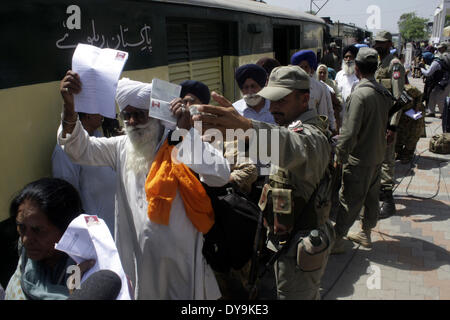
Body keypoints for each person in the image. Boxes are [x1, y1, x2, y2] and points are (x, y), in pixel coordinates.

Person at [57, 71, 230, 299]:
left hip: (184, 261)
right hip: (142, 263)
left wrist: (186, 132)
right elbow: (79, 150)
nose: (132, 122)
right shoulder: (121, 147)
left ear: (156, 115)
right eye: (127, 115)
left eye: (139, 115)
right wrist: (70, 109)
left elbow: (221, 174)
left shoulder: (176, 140)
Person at [194, 65, 335, 300]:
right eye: (271, 100)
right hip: (283, 239)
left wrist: (247, 128)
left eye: (281, 100)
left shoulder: (313, 136)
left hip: (302, 245)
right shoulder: (288, 127)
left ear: (305, 99)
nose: (273, 107)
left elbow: (293, 146)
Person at [332, 48, 392, 251]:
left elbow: (349, 132)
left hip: (359, 158)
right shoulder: (382, 92)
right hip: (377, 154)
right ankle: (365, 233)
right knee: (371, 197)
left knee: (349, 198)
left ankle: (337, 239)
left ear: (356, 68)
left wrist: (340, 155)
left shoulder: (360, 95)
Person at [5, 178, 94, 300]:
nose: (25, 239)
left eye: (38, 230)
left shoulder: (87, 271)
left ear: (66, 230)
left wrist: (76, 296)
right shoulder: (25, 261)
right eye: (21, 227)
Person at [52, 112, 117, 236]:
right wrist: (93, 231)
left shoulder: (100, 139)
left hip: (114, 229)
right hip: (95, 233)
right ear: (88, 114)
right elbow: (68, 199)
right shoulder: (64, 151)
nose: (103, 114)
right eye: (99, 110)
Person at [373, 30, 406, 219]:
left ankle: (388, 201)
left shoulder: (394, 65)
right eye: (377, 42)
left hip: (388, 121)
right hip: (377, 120)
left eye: (382, 43)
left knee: (387, 160)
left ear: (389, 44)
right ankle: (379, 192)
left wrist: (392, 126)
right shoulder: (379, 64)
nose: (378, 45)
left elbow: (399, 98)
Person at [291, 50, 337, 132]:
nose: (303, 70)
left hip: (312, 129)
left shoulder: (319, 87)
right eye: (301, 67)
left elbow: (323, 112)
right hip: (293, 127)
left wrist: (325, 131)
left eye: (306, 67)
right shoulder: (290, 85)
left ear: (310, 69)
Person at [335, 45, 360, 126]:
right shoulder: (339, 75)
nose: (348, 60)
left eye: (351, 57)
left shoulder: (359, 75)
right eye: (346, 57)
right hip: (341, 116)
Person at [421, 52, 450, 118]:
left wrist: (421, 68)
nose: (423, 60)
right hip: (440, 82)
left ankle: (444, 114)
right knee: (432, 95)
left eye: (424, 58)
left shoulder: (435, 63)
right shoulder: (435, 62)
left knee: (440, 98)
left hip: (445, 83)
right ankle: (431, 112)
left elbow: (428, 73)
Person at [317, 64, 343, 132]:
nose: (322, 74)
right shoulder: (314, 84)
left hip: (333, 113)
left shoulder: (332, 83)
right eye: (320, 72)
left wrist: (334, 99)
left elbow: (339, 97)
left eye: (324, 73)